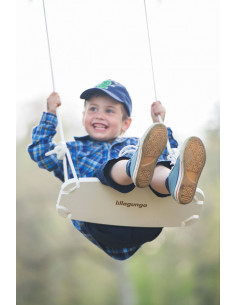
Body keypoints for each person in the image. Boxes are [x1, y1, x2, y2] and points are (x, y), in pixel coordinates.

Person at [28, 79, 206, 260]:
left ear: (125, 124)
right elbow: (40, 152)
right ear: (83, 116)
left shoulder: (139, 144)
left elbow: (169, 155)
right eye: (93, 109)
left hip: (145, 222)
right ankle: (131, 168)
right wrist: (50, 113)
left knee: (160, 164)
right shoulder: (73, 150)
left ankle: (173, 182)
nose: (99, 115)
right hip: (100, 222)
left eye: (109, 111)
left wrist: (159, 123)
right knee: (110, 167)